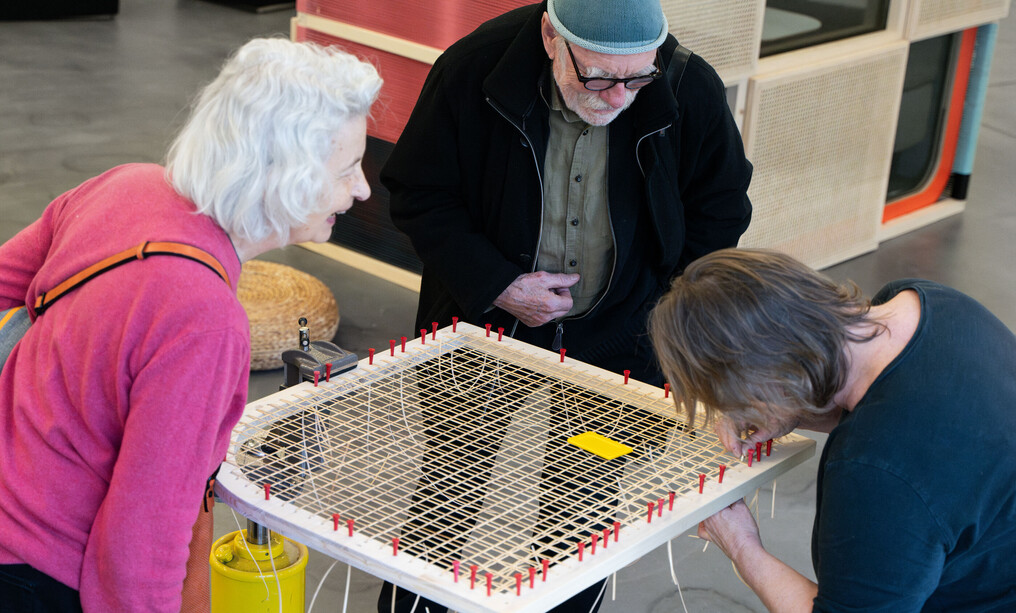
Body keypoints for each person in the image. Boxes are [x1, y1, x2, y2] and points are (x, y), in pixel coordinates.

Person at [0, 38, 382, 612]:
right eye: (349, 167)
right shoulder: (205, 324)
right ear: (284, 176)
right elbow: (141, 545)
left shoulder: (125, 185)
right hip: (41, 572)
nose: (362, 189)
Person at [648, 248, 1016, 612]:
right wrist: (777, 407)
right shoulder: (926, 303)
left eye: (734, 401)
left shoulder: (877, 471)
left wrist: (742, 547)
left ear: (767, 381)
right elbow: (898, 414)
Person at [382, 0, 752, 385]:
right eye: (598, 78)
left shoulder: (685, 82)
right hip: (485, 315)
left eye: (639, 79)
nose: (618, 99)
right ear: (550, 36)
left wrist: (667, 307)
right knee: (458, 444)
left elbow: (721, 209)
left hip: (631, 330)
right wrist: (495, 284)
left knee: (608, 449)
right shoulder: (473, 69)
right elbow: (419, 192)